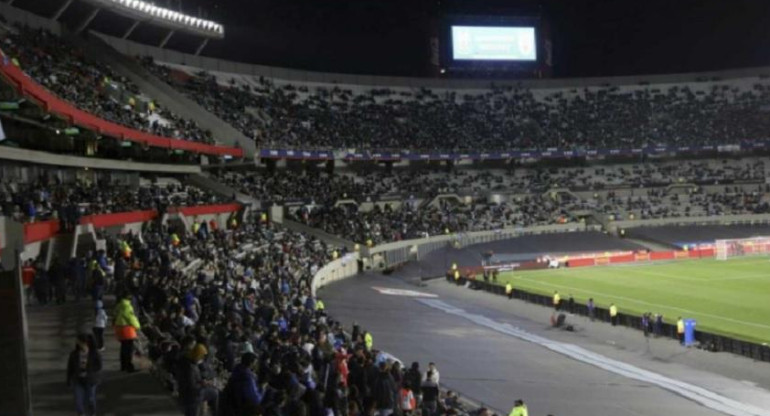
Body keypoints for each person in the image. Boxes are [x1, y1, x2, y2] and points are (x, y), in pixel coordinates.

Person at [66, 333, 102, 416]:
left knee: (90, 399)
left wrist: (89, 371)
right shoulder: (74, 354)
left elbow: (99, 366)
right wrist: (68, 380)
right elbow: (70, 367)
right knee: (78, 401)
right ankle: (81, 413)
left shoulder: (95, 353)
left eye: (79, 341)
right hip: (78, 380)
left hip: (90, 380)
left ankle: (92, 413)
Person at [113, 293, 141, 372]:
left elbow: (114, 314)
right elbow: (131, 318)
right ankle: (129, 367)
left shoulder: (119, 305)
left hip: (119, 328)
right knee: (129, 349)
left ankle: (123, 366)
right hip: (127, 330)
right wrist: (137, 326)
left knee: (123, 348)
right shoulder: (127, 307)